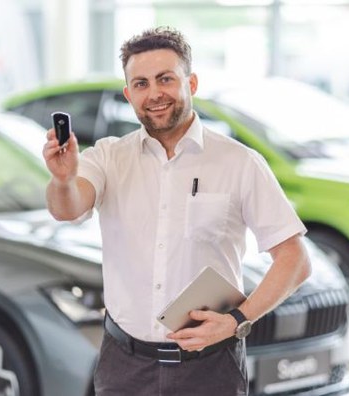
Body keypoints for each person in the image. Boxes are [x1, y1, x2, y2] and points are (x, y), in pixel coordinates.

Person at [42, 26, 311, 396]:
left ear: (191, 83)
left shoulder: (239, 162)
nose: (154, 93)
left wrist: (238, 320)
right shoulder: (107, 157)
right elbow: (68, 209)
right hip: (124, 368)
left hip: (210, 369)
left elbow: (295, 259)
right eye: (141, 84)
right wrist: (62, 180)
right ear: (128, 94)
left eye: (165, 79)